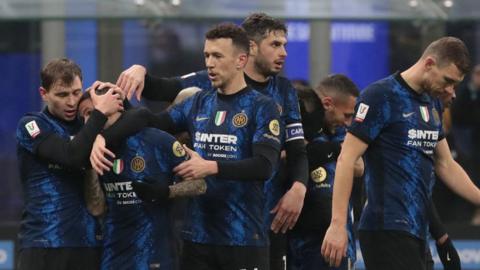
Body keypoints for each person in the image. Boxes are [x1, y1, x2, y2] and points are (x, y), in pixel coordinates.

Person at [116, 14, 308, 269]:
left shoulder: (267, 104)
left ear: (241, 58)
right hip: (197, 236)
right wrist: (111, 109)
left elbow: (266, 165)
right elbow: (152, 119)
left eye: (217, 56)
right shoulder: (198, 100)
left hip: (246, 233)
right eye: (207, 55)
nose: (209, 63)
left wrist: (298, 187)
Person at [321, 36, 480, 270]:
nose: (450, 91)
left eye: (454, 84)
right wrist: (337, 224)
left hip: (417, 230)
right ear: (429, 64)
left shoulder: (431, 103)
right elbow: (347, 158)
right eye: (447, 81)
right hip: (385, 227)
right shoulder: (380, 96)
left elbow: (446, 164)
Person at [78, 90, 206, 270]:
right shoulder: (95, 152)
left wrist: (167, 192)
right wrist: (90, 166)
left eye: (91, 112)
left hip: (156, 256)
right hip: (113, 257)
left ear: (114, 106)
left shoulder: (157, 140)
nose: (87, 122)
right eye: (84, 116)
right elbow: (96, 207)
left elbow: (200, 185)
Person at [15, 58, 123, 270]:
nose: (72, 102)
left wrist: (104, 128)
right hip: (43, 244)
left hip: (89, 243)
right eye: (62, 95)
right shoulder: (31, 125)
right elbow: (70, 155)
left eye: (76, 92)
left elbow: (140, 119)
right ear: (43, 94)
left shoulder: (89, 125)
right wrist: (100, 116)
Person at [288, 75, 361, 270]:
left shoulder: (342, 132)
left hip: (336, 241)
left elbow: (359, 167)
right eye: (346, 115)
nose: (348, 122)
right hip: (295, 237)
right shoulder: (299, 119)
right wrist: (335, 151)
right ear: (328, 103)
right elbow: (289, 156)